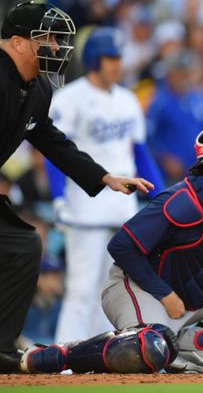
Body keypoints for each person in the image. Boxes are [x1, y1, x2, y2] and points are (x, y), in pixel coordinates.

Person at [20, 119, 203, 374]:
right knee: (148, 349)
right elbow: (122, 246)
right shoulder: (185, 200)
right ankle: (61, 355)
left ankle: (192, 349)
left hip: (190, 298)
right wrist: (165, 295)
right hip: (138, 287)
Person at [0, 2, 152, 373]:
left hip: (107, 210)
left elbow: (50, 140)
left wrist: (103, 177)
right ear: (18, 42)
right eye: (46, 38)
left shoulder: (35, 88)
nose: (55, 46)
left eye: (56, 38)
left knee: (23, 245)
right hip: (84, 219)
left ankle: (1, 349)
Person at [45, 27, 165, 343]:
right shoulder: (69, 98)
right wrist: (58, 197)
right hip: (85, 208)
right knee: (81, 288)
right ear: (94, 60)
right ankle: (63, 356)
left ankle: (98, 356)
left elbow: (140, 152)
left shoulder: (127, 99)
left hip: (122, 210)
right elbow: (54, 152)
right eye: (110, 58)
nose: (117, 64)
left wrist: (160, 194)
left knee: (110, 291)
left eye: (118, 58)